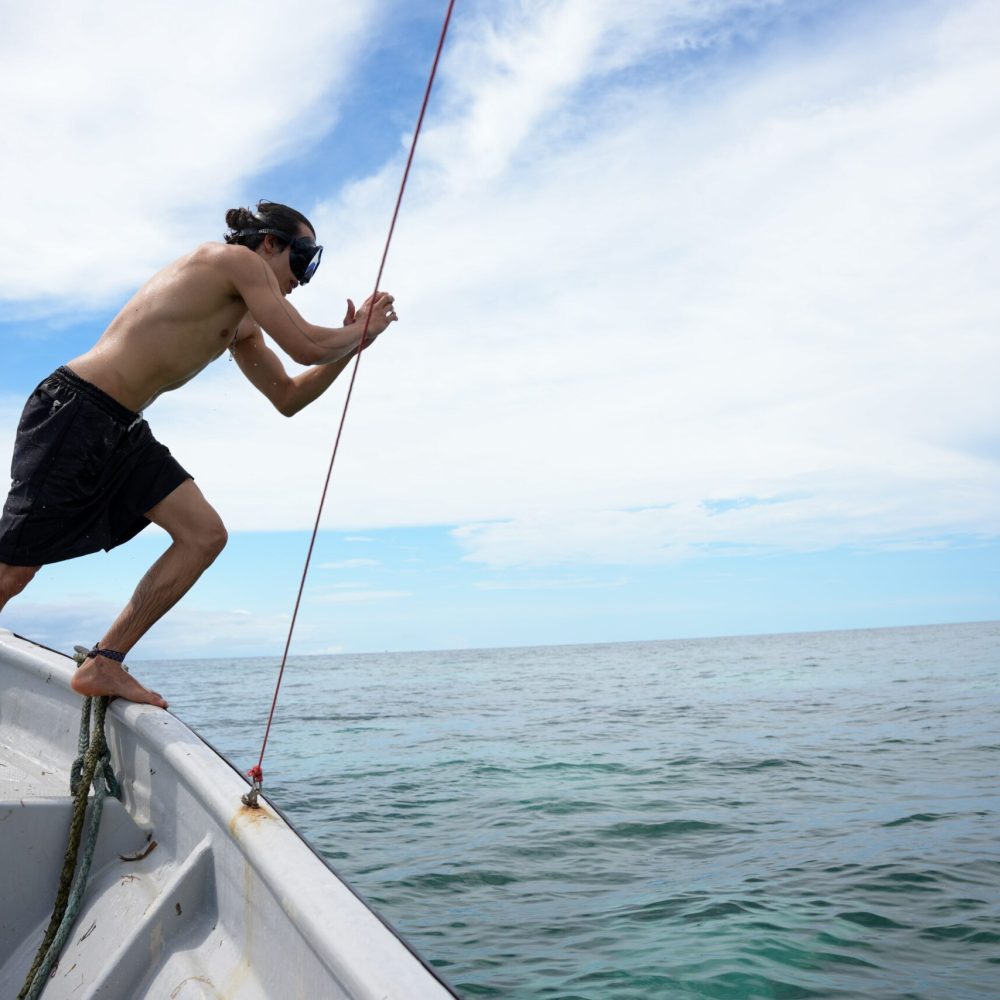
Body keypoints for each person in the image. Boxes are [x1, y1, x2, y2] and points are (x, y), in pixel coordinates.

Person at [0, 201, 396, 709]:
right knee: (13, 573)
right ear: (269, 244)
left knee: (203, 535)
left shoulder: (241, 324)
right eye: (304, 259)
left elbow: (289, 396)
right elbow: (306, 346)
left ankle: (105, 662)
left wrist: (354, 345)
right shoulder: (234, 262)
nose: (304, 278)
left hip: (122, 428)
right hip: (77, 408)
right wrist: (362, 331)